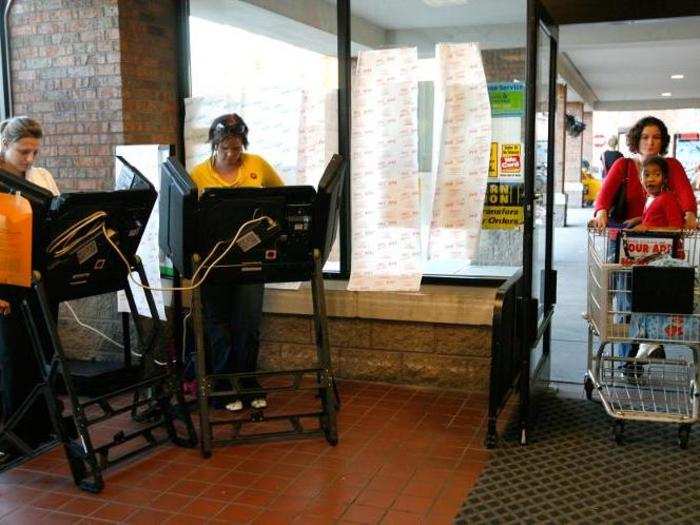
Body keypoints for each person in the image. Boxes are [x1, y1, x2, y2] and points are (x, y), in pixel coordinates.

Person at [190, 113, 283, 412]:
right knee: (218, 326)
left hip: (251, 259)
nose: (231, 154)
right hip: (214, 263)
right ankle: (224, 385)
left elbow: (281, 198)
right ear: (214, 146)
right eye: (225, 148)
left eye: (236, 147)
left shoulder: (257, 165)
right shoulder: (198, 174)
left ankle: (248, 382)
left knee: (248, 324)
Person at [0, 116, 60, 462]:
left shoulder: (42, 178)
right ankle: (15, 433)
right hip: (7, 282)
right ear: (5, 145)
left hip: (39, 276)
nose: (30, 159)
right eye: (23, 151)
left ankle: (43, 424)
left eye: (35, 152)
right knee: (14, 358)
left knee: (45, 353)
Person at [594, 116, 696, 230]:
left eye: (656, 137)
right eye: (645, 137)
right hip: (625, 234)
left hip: (664, 238)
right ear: (637, 140)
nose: (650, 142)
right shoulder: (623, 165)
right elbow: (604, 195)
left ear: (662, 142)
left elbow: (685, 194)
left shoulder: (672, 165)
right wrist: (601, 212)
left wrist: (690, 214)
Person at [625, 156, 684, 231]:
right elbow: (655, 218)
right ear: (641, 180)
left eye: (657, 174)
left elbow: (676, 228)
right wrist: (638, 219)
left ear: (665, 179)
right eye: (646, 175)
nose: (651, 179)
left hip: (663, 242)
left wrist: (648, 228)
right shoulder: (650, 198)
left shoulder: (667, 199)